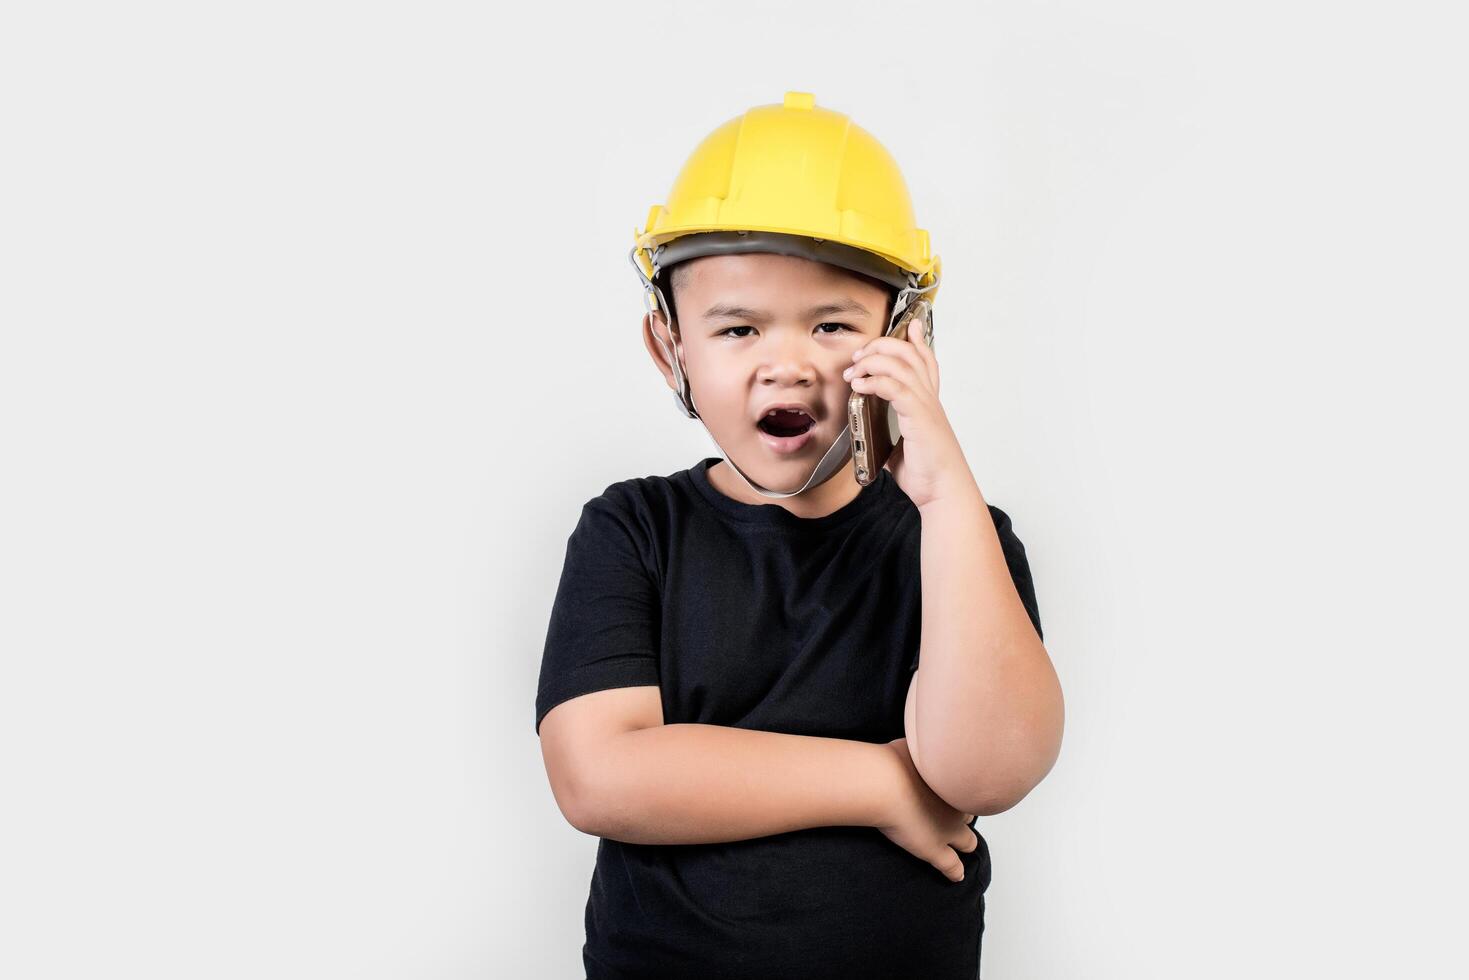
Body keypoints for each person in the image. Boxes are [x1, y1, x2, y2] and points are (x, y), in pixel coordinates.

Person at [534, 91, 1064, 979]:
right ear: (672, 352)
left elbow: (988, 773)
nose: (786, 362)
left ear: (907, 341)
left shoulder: (956, 538)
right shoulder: (633, 530)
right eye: (738, 328)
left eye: (832, 325)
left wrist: (945, 499)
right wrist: (884, 785)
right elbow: (598, 776)